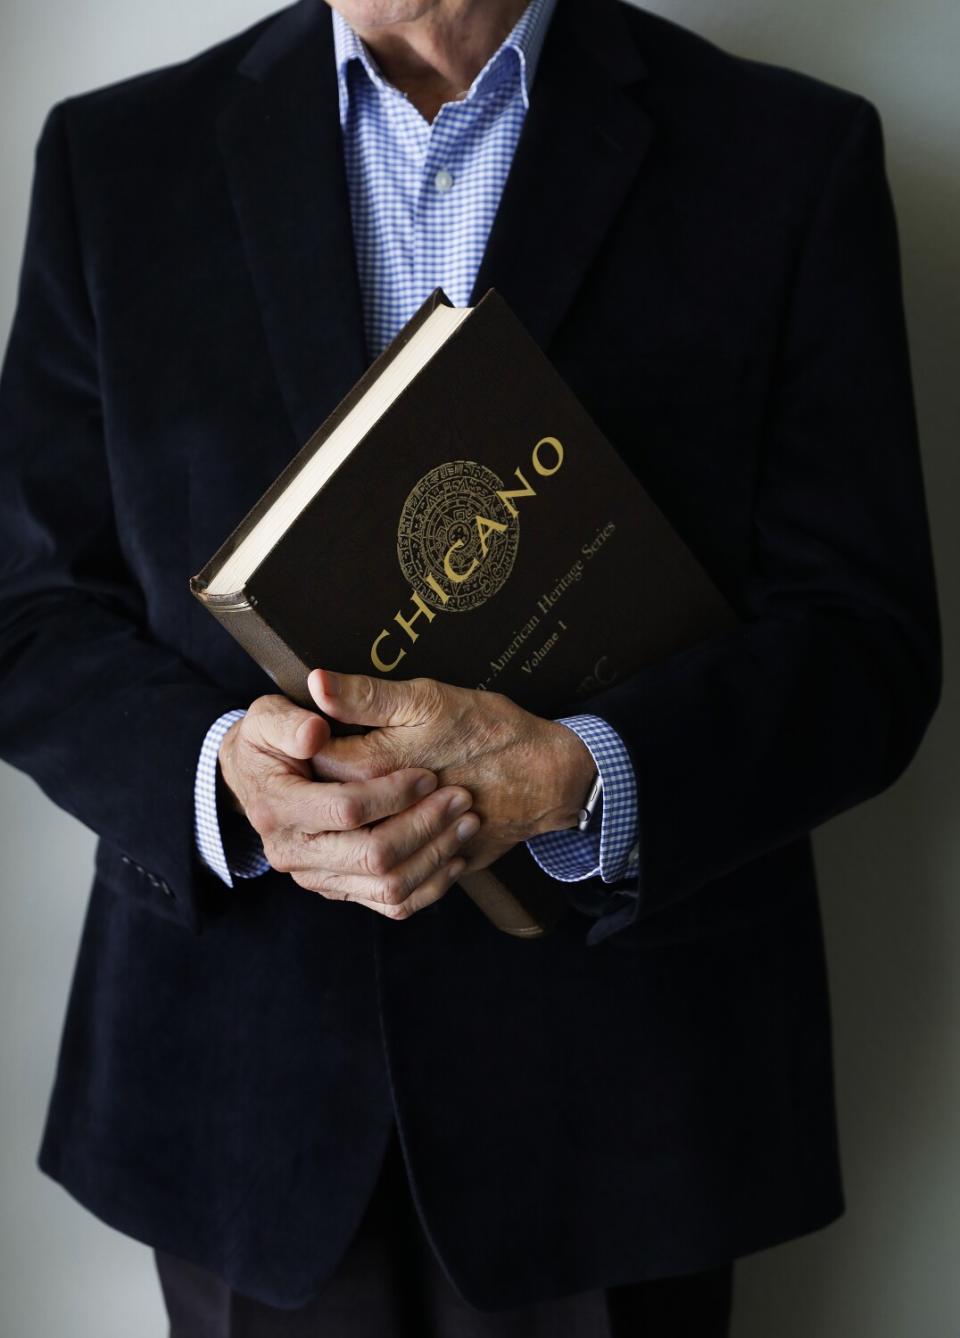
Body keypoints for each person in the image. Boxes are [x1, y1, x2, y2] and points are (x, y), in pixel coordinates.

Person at [0, 0, 941, 1334]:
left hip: (629, 1121)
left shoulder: (789, 155)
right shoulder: (117, 159)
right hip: (239, 1114)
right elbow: (28, 607)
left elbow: (868, 641)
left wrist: (582, 779)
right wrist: (219, 781)